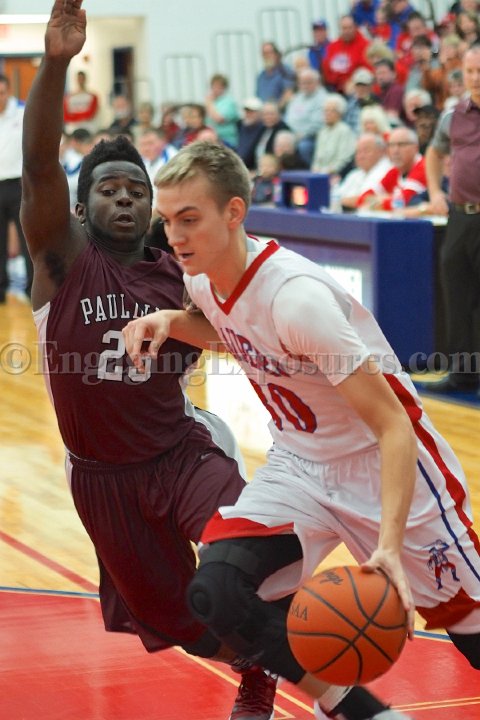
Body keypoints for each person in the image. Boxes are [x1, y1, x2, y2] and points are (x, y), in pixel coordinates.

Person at [124, 139, 480, 720]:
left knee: (472, 633)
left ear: (234, 212)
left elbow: (393, 425)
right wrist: (170, 320)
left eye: (189, 219)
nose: (175, 237)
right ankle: (363, 712)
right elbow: (236, 332)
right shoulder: (203, 280)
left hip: (382, 462)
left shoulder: (297, 299)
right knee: (218, 591)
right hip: (301, 465)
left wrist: (388, 548)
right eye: (167, 221)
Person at [19, 4, 278, 720]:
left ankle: (278, 663)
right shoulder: (63, 263)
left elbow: (238, 331)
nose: (126, 198)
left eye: (138, 190)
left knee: (240, 554)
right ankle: (252, 657)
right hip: (103, 478)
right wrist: (55, 62)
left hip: (180, 451)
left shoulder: (181, 273)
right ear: (80, 209)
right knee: (180, 621)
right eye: (110, 189)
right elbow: (37, 166)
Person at [425, 44, 480, 394]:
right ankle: (463, 375)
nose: (475, 78)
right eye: (471, 71)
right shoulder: (453, 115)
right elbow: (434, 151)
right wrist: (434, 191)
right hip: (461, 216)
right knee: (458, 295)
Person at [0, 73, 33, 302]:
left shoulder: (23, 111)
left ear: (9, 91)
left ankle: (33, 289)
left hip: (20, 183)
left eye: (1, 93)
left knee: (28, 239)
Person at [357, 126, 427, 210]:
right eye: (391, 145)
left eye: (401, 145)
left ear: (415, 148)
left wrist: (381, 200)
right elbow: (361, 199)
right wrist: (389, 199)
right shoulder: (395, 171)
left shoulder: (423, 167)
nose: (395, 151)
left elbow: (403, 202)